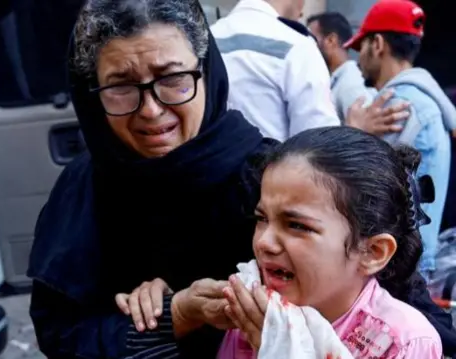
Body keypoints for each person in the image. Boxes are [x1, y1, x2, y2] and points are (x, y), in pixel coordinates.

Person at [26, 0, 456, 358]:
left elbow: (402, 312)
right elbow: (61, 335)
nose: (152, 109)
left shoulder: (266, 176)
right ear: (90, 93)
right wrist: (175, 316)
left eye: (173, 79)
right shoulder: (84, 192)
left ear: (206, 72)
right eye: (120, 86)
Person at [216, 126, 441, 358]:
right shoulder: (257, 316)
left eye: (297, 225)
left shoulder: (402, 342)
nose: (264, 242)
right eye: (262, 218)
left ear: (372, 252)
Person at [345, 0, 456, 282]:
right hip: (410, 260)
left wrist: (353, 132)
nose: (358, 60)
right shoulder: (425, 100)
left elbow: (354, 186)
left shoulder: (396, 106)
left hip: (395, 267)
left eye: (361, 48)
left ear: (378, 44)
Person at [209, 0, 405, 141]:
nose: (302, 11)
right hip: (271, 192)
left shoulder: (206, 38)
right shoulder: (297, 46)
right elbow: (319, 151)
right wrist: (355, 131)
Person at [307, 12, 377, 122]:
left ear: (331, 40)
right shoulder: (338, 79)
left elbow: (364, 132)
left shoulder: (350, 83)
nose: (306, 45)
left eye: (311, 40)